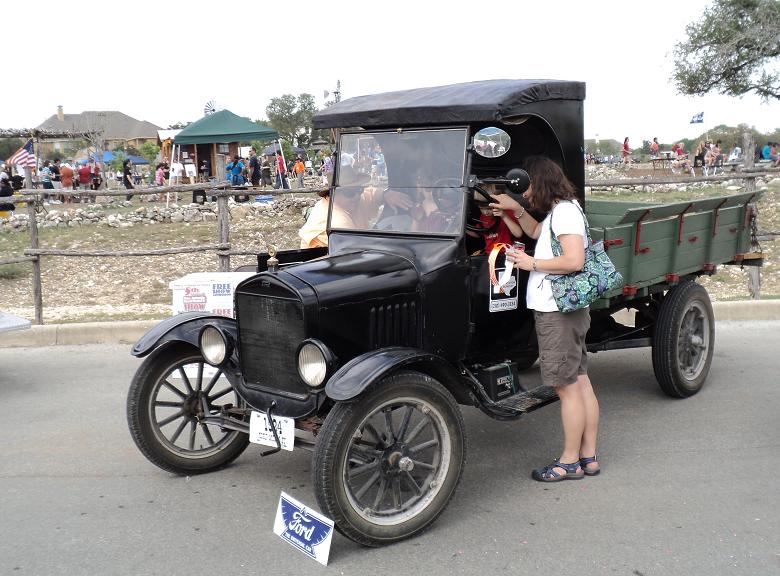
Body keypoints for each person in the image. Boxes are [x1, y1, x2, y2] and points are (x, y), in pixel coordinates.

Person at [490, 156, 600, 482]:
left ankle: (569, 462)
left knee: (565, 387)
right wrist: (513, 213)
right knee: (579, 381)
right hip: (566, 310)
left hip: (557, 312)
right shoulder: (562, 209)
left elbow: (574, 260)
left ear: (541, 182)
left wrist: (530, 264)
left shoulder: (565, 213)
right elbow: (538, 232)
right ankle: (588, 457)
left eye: (528, 186)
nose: (526, 194)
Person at [466, 184, 523, 252]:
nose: (485, 212)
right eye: (481, 208)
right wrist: (464, 228)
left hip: (507, 253)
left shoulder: (507, 213)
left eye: (489, 209)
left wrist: (504, 216)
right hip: (491, 254)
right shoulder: (483, 218)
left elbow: (518, 234)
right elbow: (478, 233)